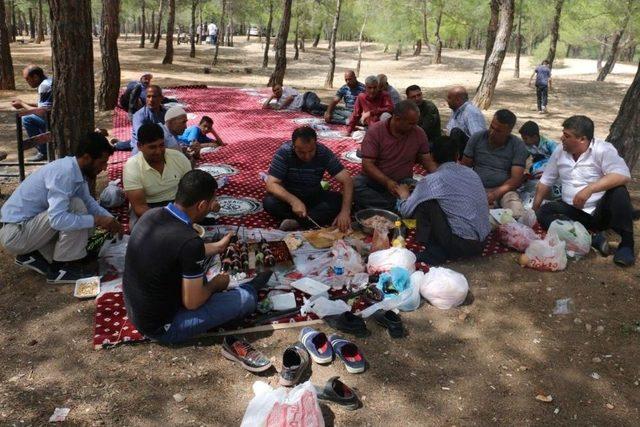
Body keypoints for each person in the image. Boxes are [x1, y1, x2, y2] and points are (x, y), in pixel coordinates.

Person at [123, 170, 269, 344]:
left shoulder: (151, 215)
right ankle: (252, 288)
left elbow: (176, 251)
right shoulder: (189, 241)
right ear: (201, 205)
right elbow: (193, 302)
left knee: (201, 281)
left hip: (137, 312)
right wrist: (217, 284)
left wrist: (218, 247)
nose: (212, 206)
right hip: (163, 327)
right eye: (211, 203)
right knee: (245, 300)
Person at [0, 132, 122, 283]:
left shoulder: (74, 169)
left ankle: (35, 253)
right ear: (86, 158)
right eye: (102, 162)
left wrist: (109, 219)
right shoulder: (64, 174)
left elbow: (89, 201)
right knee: (76, 206)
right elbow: (57, 220)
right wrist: (97, 219)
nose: (103, 168)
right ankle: (62, 268)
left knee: (81, 209)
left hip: (27, 227)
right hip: (16, 233)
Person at [533, 115, 635, 267]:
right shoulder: (560, 151)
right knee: (544, 212)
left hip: (600, 212)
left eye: (567, 136)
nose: (562, 138)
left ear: (582, 139)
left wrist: (589, 189)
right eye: (563, 133)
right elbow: (546, 180)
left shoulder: (603, 149)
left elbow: (623, 175)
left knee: (619, 191)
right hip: (573, 211)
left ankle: (627, 244)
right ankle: (591, 237)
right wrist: (535, 209)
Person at [396, 136, 490, 265]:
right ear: (457, 155)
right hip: (482, 242)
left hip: (460, 244)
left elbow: (405, 211)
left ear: (432, 156)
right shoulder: (471, 173)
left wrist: (404, 195)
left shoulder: (431, 181)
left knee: (426, 203)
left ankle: (432, 248)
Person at [264, 126, 353, 232]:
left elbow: (347, 180)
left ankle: (296, 222)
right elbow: (271, 184)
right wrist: (294, 201)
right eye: (301, 152)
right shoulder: (285, 152)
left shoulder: (323, 152)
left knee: (338, 200)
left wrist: (345, 212)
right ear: (293, 146)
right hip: (288, 197)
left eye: (311, 151)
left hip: (313, 196)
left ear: (316, 144)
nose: (307, 156)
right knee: (270, 203)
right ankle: (308, 220)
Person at [354, 100, 435, 211]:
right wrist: (387, 182)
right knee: (354, 186)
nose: (414, 126)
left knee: (427, 192)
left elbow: (427, 161)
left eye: (416, 123)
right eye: (411, 123)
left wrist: (440, 176)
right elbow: (367, 165)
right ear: (397, 119)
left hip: (403, 183)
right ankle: (401, 205)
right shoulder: (375, 131)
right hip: (374, 181)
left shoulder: (418, 133)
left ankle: (395, 205)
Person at [462, 109, 528, 219]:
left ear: (509, 131)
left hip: (504, 190)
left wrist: (494, 194)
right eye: (492, 127)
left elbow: (516, 179)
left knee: (517, 214)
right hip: (476, 187)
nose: (492, 132)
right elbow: (464, 167)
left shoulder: (518, 146)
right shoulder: (477, 138)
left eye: (498, 131)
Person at [123, 123, 192, 226]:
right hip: (149, 209)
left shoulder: (179, 158)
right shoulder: (132, 166)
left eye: (161, 145)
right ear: (139, 146)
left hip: (178, 205)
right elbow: (139, 207)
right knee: (140, 231)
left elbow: (190, 189)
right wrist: (170, 220)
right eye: (152, 147)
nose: (158, 151)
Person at [11, 65, 53, 161]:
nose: (27, 82)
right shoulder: (49, 81)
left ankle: (43, 152)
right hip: (53, 116)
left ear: (35, 77)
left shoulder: (44, 86)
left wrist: (22, 103)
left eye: (27, 79)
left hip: (53, 121)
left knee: (27, 119)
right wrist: (23, 104)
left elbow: (42, 112)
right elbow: (43, 106)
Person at [445, 86, 487, 157]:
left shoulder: (471, 113)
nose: (447, 100)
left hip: (467, 152)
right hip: (457, 147)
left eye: (449, 98)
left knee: (456, 132)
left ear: (458, 100)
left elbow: (478, 139)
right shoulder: (456, 109)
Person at [129, 85, 167, 154]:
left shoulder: (165, 112)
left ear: (161, 98)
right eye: (148, 97)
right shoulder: (139, 115)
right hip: (145, 144)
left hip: (162, 142)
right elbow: (142, 136)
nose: (151, 100)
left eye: (154, 97)